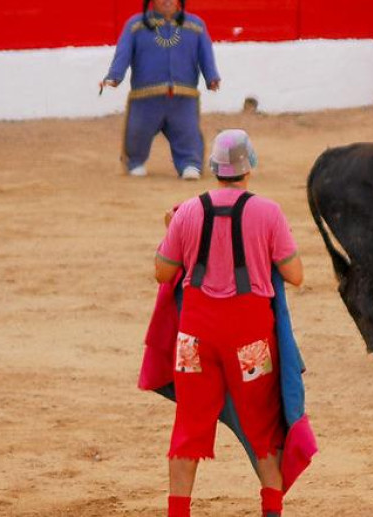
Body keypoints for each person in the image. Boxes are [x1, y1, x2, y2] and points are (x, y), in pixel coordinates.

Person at [153, 129, 303, 517]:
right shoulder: (268, 212)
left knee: (188, 427)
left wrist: (172, 228)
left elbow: (162, 271)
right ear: (249, 166)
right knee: (265, 431)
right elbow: (295, 274)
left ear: (214, 169)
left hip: (195, 338)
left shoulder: (188, 211)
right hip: (248, 339)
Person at [101, 0, 221, 179]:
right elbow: (123, 54)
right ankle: (135, 161)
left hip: (184, 97)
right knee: (138, 132)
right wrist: (114, 76)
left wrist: (211, 77)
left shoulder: (196, 25)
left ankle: (190, 163)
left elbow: (206, 55)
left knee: (188, 132)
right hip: (145, 98)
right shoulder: (135, 25)